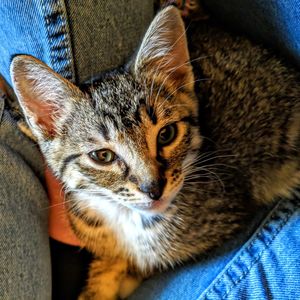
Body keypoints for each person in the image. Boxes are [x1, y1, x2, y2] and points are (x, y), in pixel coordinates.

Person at [0, 1, 299, 299]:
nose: (151, 183)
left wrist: (129, 270)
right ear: (49, 124)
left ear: (180, 83)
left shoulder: (183, 223)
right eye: (104, 155)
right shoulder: (89, 215)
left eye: (166, 134)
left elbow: (233, 213)